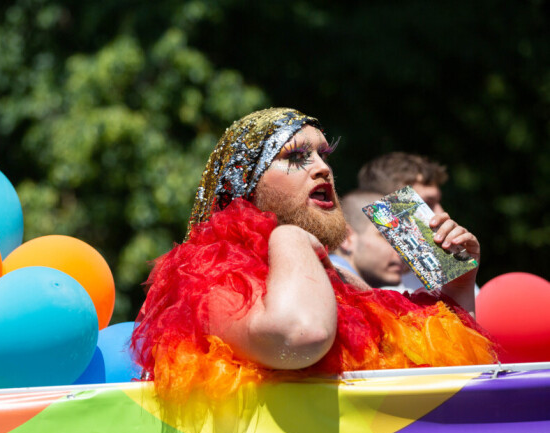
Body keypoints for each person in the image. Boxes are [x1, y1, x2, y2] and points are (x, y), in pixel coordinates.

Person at [131, 108, 495, 401]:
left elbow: (446, 378)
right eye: (296, 156)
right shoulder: (205, 274)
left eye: (323, 154)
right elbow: (300, 336)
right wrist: (291, 237)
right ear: (245, 184)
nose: (323, 167)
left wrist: (458, 291)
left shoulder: (340, 280)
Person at [357, 152, 479, 294]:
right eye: (426, 204)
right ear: (388, 206)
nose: (442, 213)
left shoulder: (446, 271)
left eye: (438, 203)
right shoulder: (355, 279)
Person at [330, 190, 406, 288]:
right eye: (387, 237)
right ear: (346, 238)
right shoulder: (330, 286)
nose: (402, 251)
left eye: (403, 240)